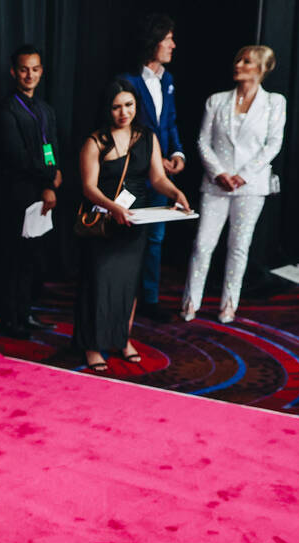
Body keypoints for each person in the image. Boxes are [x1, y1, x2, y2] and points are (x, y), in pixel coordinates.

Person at [73, 80, 190, 372]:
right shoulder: (95, 141)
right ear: (107, 109)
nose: (123, 112)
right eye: (116, 107)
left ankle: (122, 339)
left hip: (135, 222)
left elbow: (158, 178)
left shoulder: (147, 137)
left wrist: (176, 193)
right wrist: (114, 208)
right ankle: (92, 345)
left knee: (128, 284)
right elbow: (88, 187)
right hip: (103, 221)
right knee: (99, 284)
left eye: (129, 105)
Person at [181, 46, 286, 323]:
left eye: (247, 61)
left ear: (262, 69)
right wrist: (218, 172)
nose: (238, 64)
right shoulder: (216, 101)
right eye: (238, 59)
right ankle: (191, 300)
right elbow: (203, 141)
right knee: (202, 244)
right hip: (216, 184)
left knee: (239, 246)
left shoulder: (275, 103)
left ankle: (229, 303)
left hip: (250, 187)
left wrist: (245, 175)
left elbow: (273, 143)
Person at [119, 13, 186, 323]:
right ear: (153, 41)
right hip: (132, 176)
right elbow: (123, 129)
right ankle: (123, 297)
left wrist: (177, 154)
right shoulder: (127, 81)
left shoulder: (168, 81)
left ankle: (149, 298)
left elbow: (168, 123)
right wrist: (152, 159)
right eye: (167, 38)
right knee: (127, 239)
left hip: (162, 176)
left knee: (156, 239)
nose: (173, 44)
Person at [0, 44, 62, 340]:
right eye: (23, 69)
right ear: (13, 72)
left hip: (42, 194)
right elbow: (17, 157)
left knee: (33, 258)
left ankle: (26, 312)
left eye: (34, 69)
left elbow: (52, 149)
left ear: (41, 71)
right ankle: (11, 319)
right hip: (17, 195)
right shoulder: (6, 111)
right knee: (15, 259)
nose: (29, 75)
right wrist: (50, 178)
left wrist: (51, 183)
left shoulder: (45, 110)